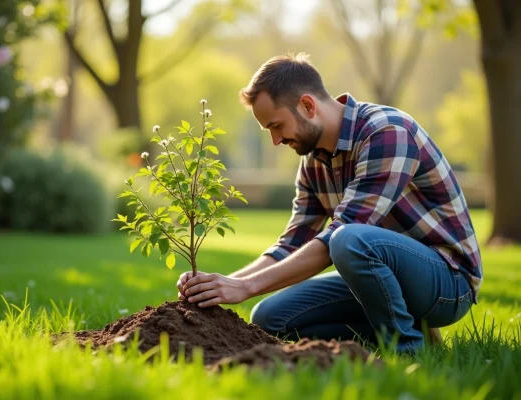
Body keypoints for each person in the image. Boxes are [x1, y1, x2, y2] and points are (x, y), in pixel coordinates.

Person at [176, 53, 483, 353]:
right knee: (269, 317)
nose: (276, 140)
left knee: (348, 239)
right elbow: (292, 244)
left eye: (277, 126)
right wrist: (227, 283)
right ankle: (412, 331)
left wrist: (246, 288)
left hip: (448, 282)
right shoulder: (313, 161)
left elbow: (344, 234)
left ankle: (406, 351)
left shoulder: (387, 132)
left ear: (307, 105)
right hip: (379, 277)